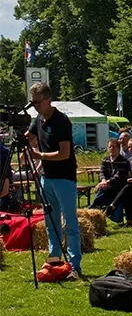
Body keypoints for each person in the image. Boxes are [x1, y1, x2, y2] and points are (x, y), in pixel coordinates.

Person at [23, 81, 80, 279]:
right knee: (50, 222)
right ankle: (54, 258)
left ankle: (74, 266)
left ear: (48, 100)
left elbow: (65, 153)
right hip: (46, 178)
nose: (36, 107)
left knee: (70, 224)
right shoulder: (38, 119)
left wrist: (40, 156)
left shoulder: (61, 121)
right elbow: (28, 137)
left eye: (38, 103)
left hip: (63, 177)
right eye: (33, 103)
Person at [89, 138, 132, 222]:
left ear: (119, 148)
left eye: (114, 147)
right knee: (101, 189)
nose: (112, 149)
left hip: (118, 187)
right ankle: (93, 209)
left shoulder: (124, 161)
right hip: (106, 185)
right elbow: (102, 173)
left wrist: (107, 182)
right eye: (110, 147)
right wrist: (103, 181)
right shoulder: (105, 160)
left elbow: (119, 176)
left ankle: (95, 208)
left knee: (102, 190)